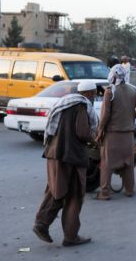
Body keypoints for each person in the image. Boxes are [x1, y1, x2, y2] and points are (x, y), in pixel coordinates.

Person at [33, 81, 98, 247]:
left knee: (55, 190)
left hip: (54, 153)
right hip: (72, 156)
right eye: (95, 93)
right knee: (74, 196)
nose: (95, 96)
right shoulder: (81, 106)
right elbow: (82, 132)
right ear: (90, 93)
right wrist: (94, 141)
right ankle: (71, 236)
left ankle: (41, 223)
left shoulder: (63, 103)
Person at [95, 65, 136, 200]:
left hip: (113, 134)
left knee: (107, 164)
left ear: (112, 75)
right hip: (128, 135)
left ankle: (105, 192)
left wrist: (99, 131)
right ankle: (129, 190)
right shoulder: (132, 91)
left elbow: (105, 115)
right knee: (128, 163)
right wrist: (130, 117)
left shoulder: (110, 92)